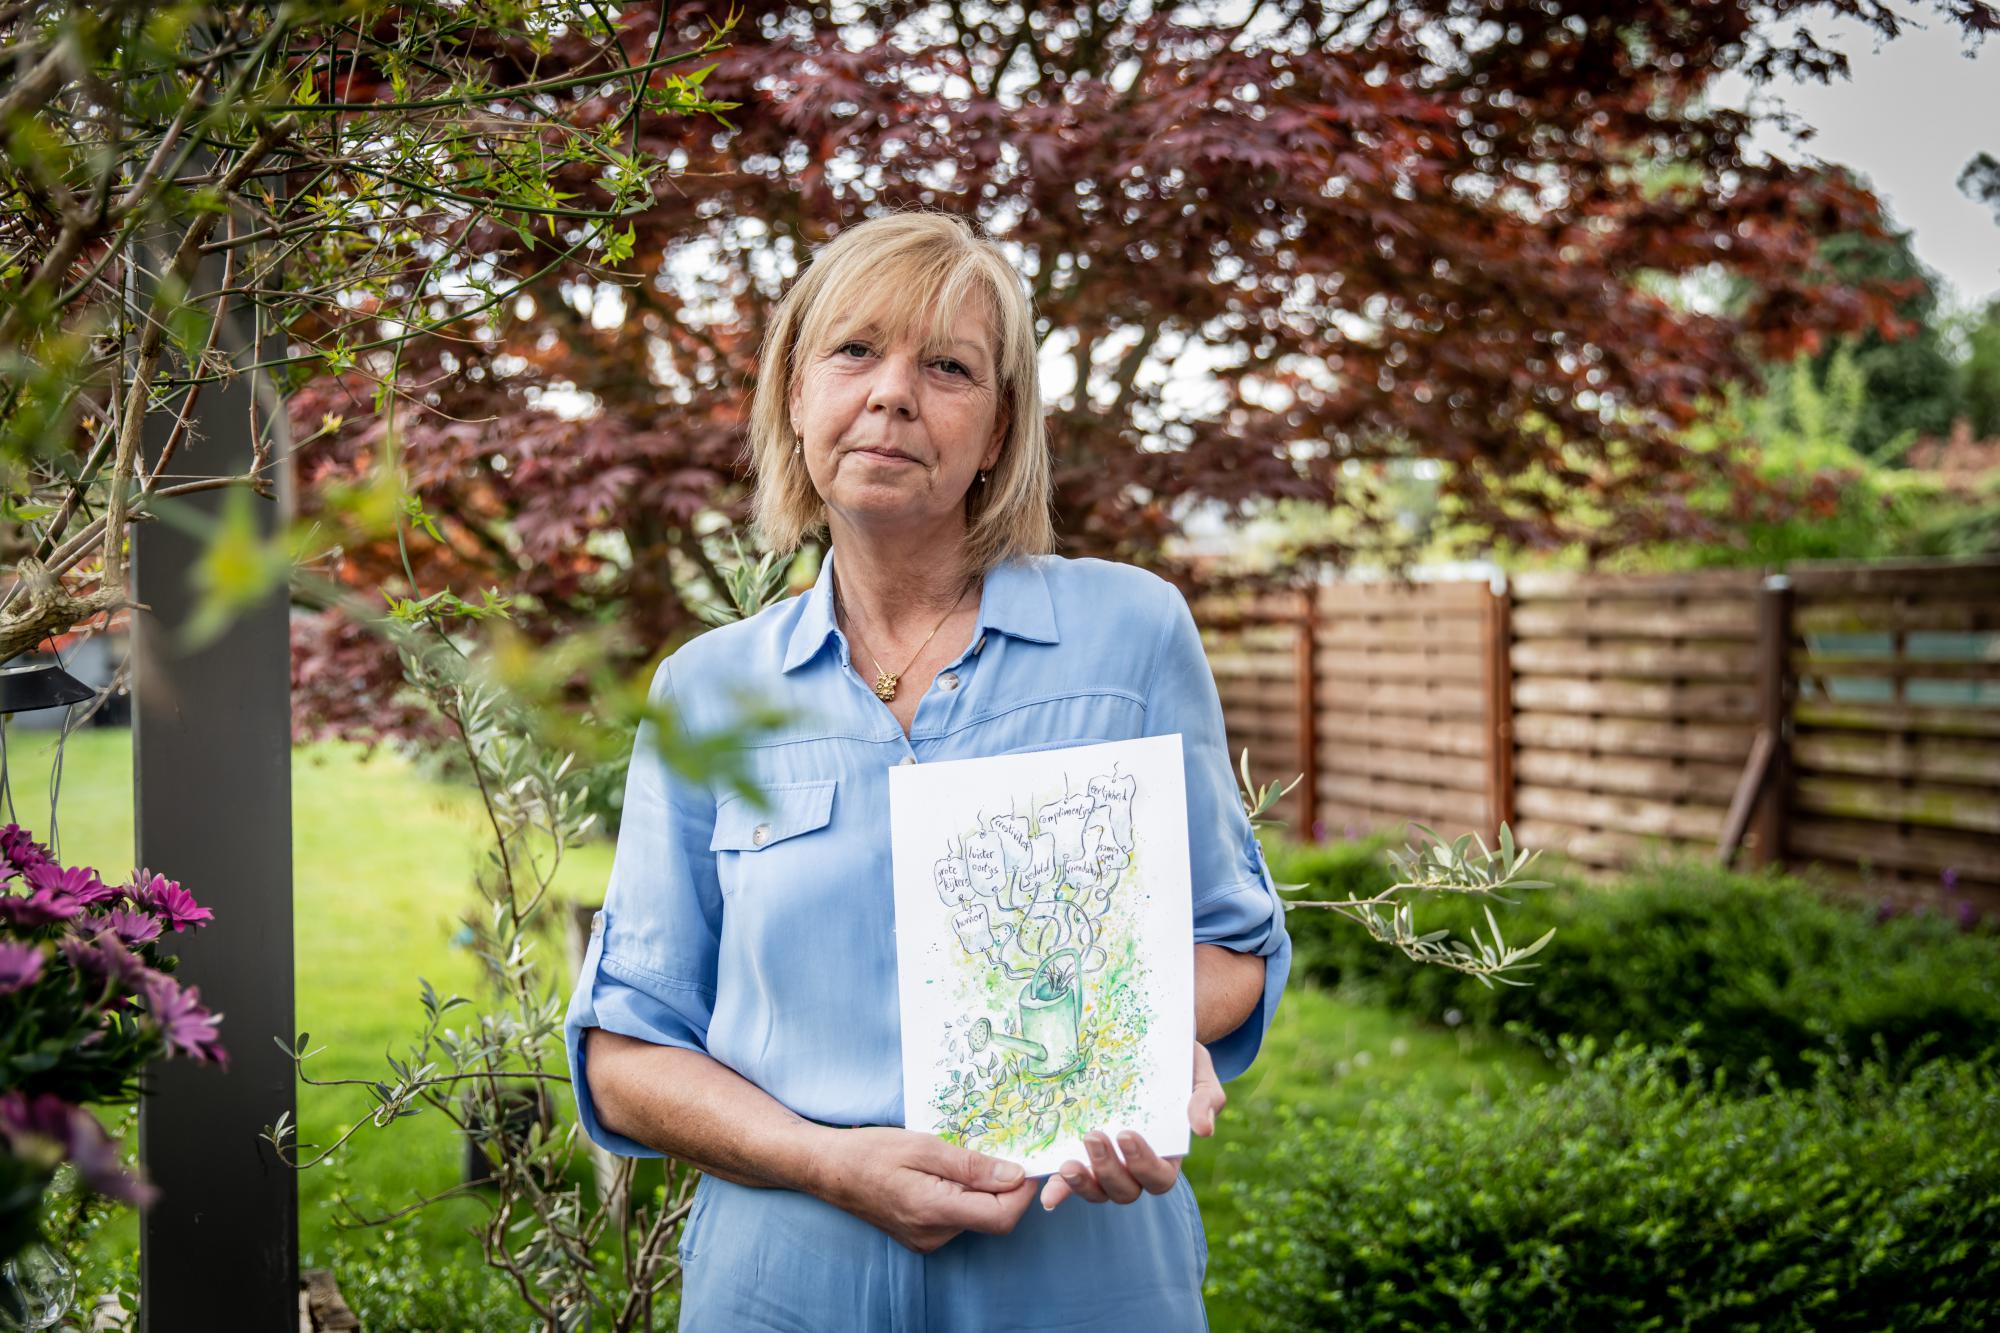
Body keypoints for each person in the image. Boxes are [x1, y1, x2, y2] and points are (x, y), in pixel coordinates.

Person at [565, 210, 1292, 1331]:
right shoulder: (706, 691)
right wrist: (824, 1160)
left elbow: (1230, 945)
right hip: (784, 1283)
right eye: (853, 352)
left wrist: (1138, 1051)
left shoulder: (1131, 632)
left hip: (1079, 1267)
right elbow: (625, 1053)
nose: (893, 393)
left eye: (946, 366)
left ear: (999, 429)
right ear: (795, 398)